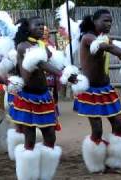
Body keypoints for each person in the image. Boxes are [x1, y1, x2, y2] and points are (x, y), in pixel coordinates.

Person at [12, 16, 77, 179]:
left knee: (50, 135)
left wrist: (68, 70)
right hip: (27, 97)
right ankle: (28, 175)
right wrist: (63, 74)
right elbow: (41, 63)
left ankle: (45, 174)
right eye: (37, 25)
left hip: (44, 97)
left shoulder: (42, 46)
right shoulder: (23, 46)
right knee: (30, 137)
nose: (42, 27)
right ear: (28, 28)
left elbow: (54, 61)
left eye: (43, 24)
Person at [74, 9, 121, 173]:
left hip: (106, 89)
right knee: (97, 130)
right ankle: (96, 165)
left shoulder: (105, 38)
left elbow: (117, 52)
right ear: (94, 21)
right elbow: (108, 48)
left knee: (119, 123)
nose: (109, 24)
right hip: (90, 91)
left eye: (110, 21)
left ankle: (113, 162)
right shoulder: (88, 38)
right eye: (105, 21)